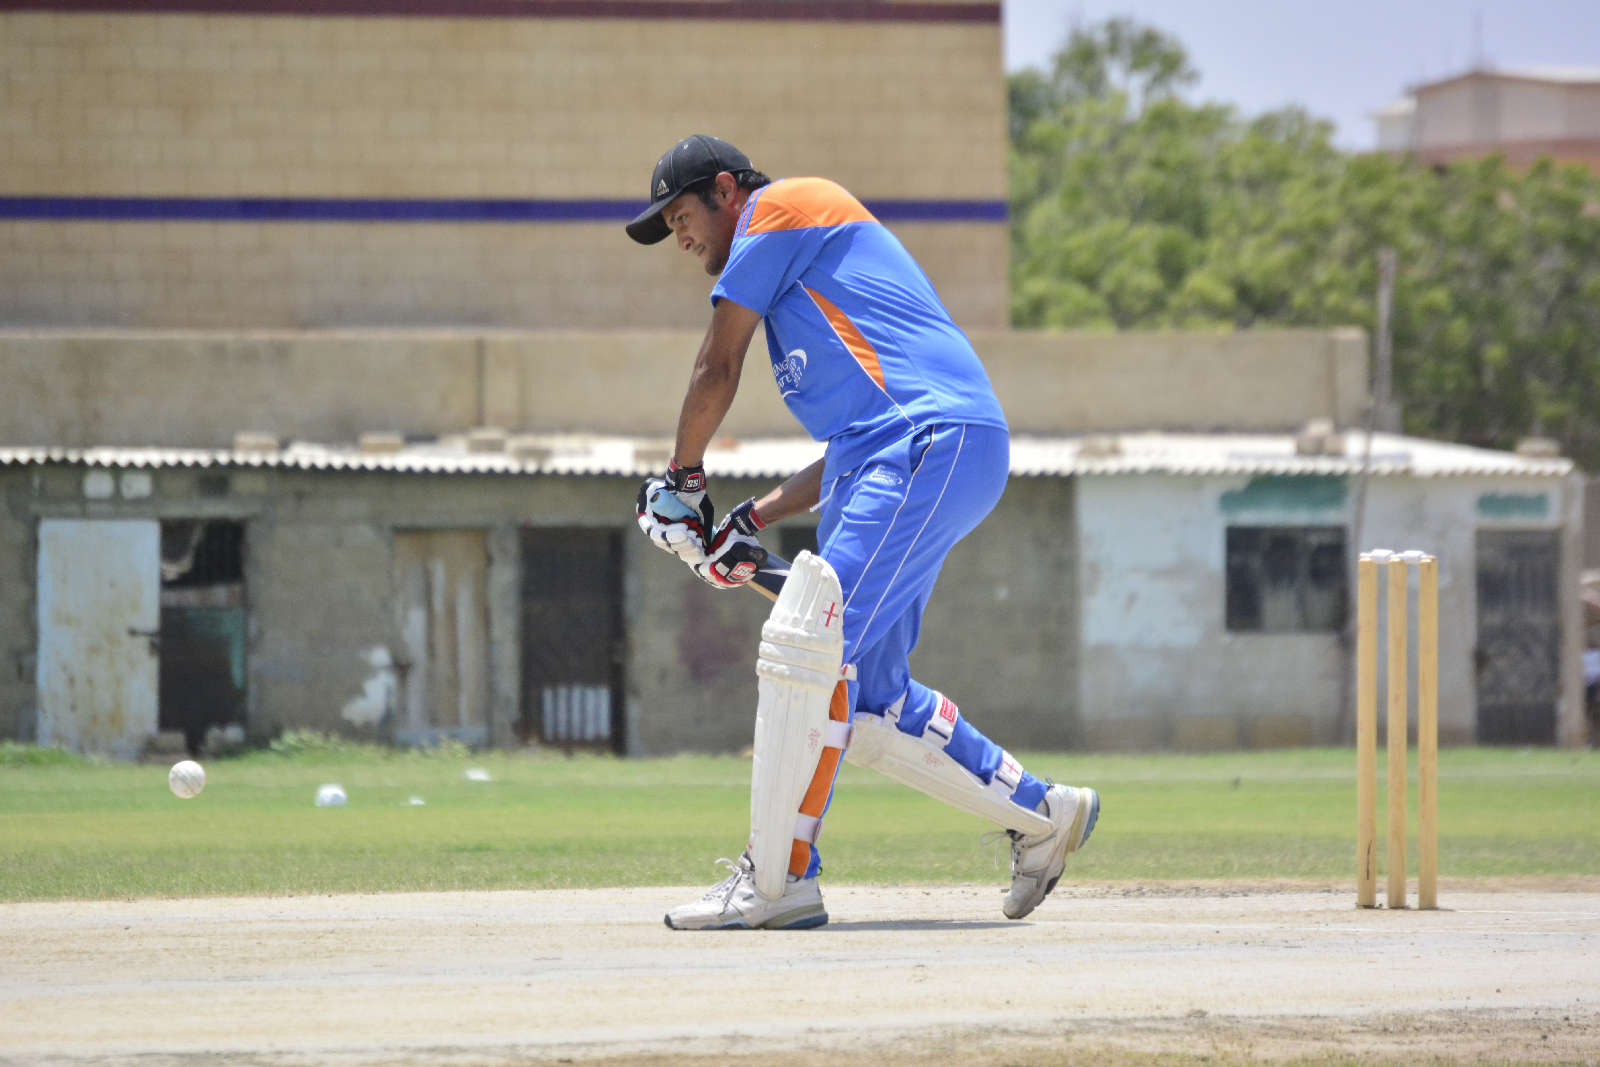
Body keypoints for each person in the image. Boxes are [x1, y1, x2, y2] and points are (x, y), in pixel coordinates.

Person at [629, 134, 1099, 930]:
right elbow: (852, 445)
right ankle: (1045, 816)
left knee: (809, 643)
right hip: (904, 449)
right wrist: (749, 527)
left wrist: (683, 480)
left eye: (682, 217)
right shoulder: (803, 279)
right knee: (871, 694)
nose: (680, 237)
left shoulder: (778, 211)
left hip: (927, 441)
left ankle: (777, 881)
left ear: (726, 190)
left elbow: (717, 365)